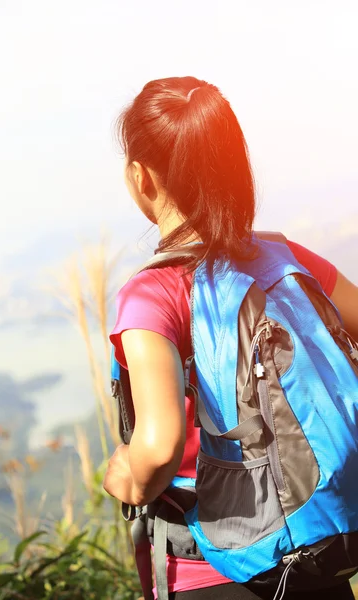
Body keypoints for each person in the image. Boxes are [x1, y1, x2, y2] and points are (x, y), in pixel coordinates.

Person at [103, 76, 358, 600]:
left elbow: (159, 448)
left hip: (218, 570)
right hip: (321, 552)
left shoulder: (152, 295)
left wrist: (122, 476)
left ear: (140, 177)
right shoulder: (286, 258)